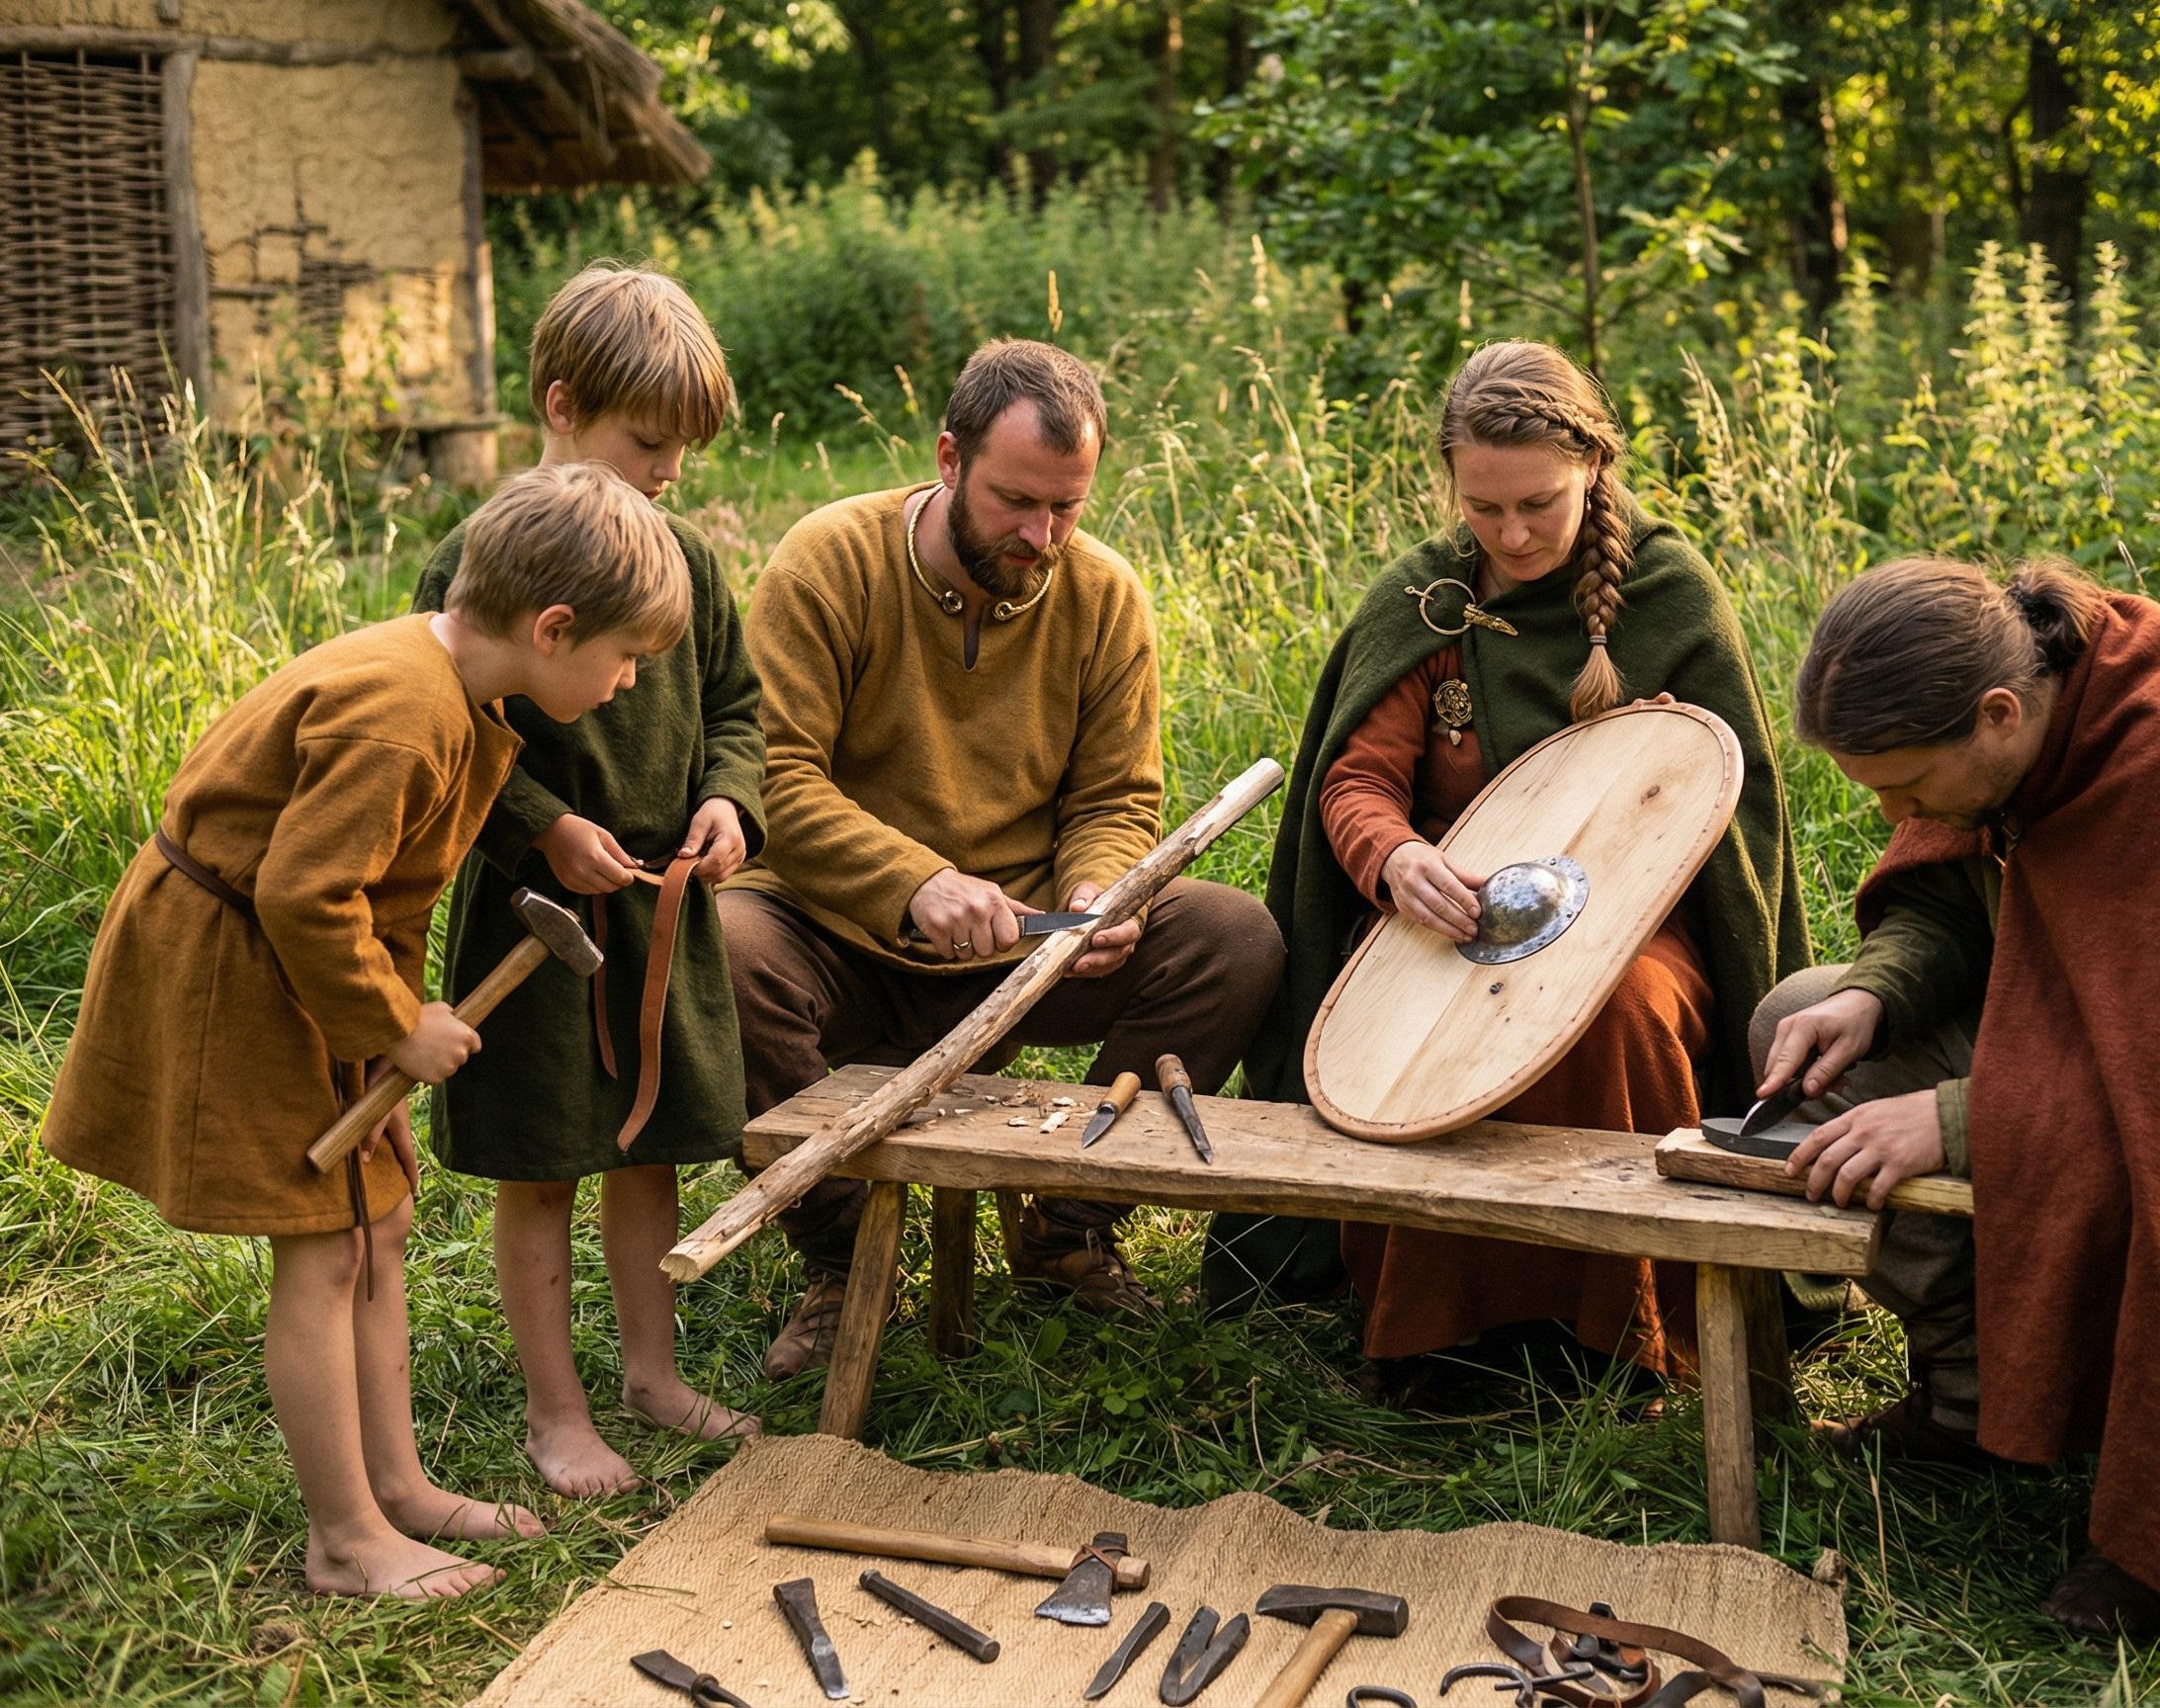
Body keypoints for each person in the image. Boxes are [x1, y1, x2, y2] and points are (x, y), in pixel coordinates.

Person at [42, 463, 689, 1596]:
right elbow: (306, 894)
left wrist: (369, 1045)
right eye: (625, 653)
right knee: (324, 1243)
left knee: (376, 1220)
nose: (632, 679)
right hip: (233, 970)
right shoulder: (402, 711)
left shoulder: (459, 690)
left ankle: (396, 1489)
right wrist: (396, 1028)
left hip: (296, 966)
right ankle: (345, 1538)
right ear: (552, 627)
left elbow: (372, 892)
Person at [1758, 555, 2160, 1694]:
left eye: (1907, 785)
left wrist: (1956, 1118)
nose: (1895, 816)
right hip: (2079, 1043)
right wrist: (1874, 989)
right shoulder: (2027, 712)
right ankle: (1971, 1392)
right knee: (1796, 1020)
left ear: (1997, 715)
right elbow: (1956, 899)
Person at [1207, 340, 1809, 1396]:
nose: (1514, 533)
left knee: (1618, 1014)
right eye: (1485, 509)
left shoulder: (1668, 596)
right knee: (1415, 1030)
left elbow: (1730, 808)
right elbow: (1354, 783)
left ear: (1594, 471)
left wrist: (1659, 774)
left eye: (1539, 504)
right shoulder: (1430, 599)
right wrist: (1394, 859)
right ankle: (1439, 1344)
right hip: (1443, 913)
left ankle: (1616, 1339)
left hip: (1633, 923)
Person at [721, 338, 1284, 1378]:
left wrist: (1097, 889)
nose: (1042, 534)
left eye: (1068, 507)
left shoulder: (1104, 595)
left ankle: (1068, 1228)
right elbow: (777, 779)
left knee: (1231, 936)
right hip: (838, 929)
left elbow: (1118, 796)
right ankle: (847, 1258)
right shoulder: (828, 560)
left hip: (1023, 945)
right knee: (725, 949)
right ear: (948, 458)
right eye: (1017, 502)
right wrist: (914, 882)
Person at [412, 265, 764, 1498]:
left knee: (647, 1142)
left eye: (685, 448)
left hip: (661, 914)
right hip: (536, 918)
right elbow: (448, 729)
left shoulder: (686, 559)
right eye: (647, 440)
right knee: (545, 1160)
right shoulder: (480, 556)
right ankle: (556, 1414)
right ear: (564, 404)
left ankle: (652, 1377)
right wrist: (544, 828)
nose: (669, 470)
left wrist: (728, 800)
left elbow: (736, 704)